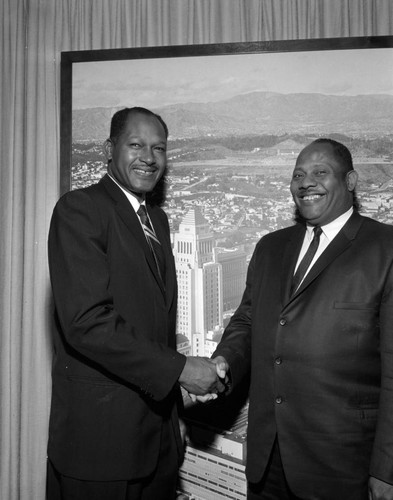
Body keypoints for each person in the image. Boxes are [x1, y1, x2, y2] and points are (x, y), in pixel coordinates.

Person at [46, 106, 223, 500]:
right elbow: (87, 322)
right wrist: (180, 370)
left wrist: (173, 407)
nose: (148, 157)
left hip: (156, 441)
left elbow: (153, 325)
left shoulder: (156, 220)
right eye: (136, 145)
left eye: (158, 148)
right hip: (101, 446)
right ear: (110, 149)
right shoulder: (80, 210)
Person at [212, 138, 393, 500]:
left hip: (343, 465)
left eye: (320, 173)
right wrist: (221, 362)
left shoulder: (385, 249)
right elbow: (247, 321)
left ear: (352, 181)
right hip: (269, 460)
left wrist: (386, 470)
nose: (305, 182)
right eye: (298, 175)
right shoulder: (270, 247)